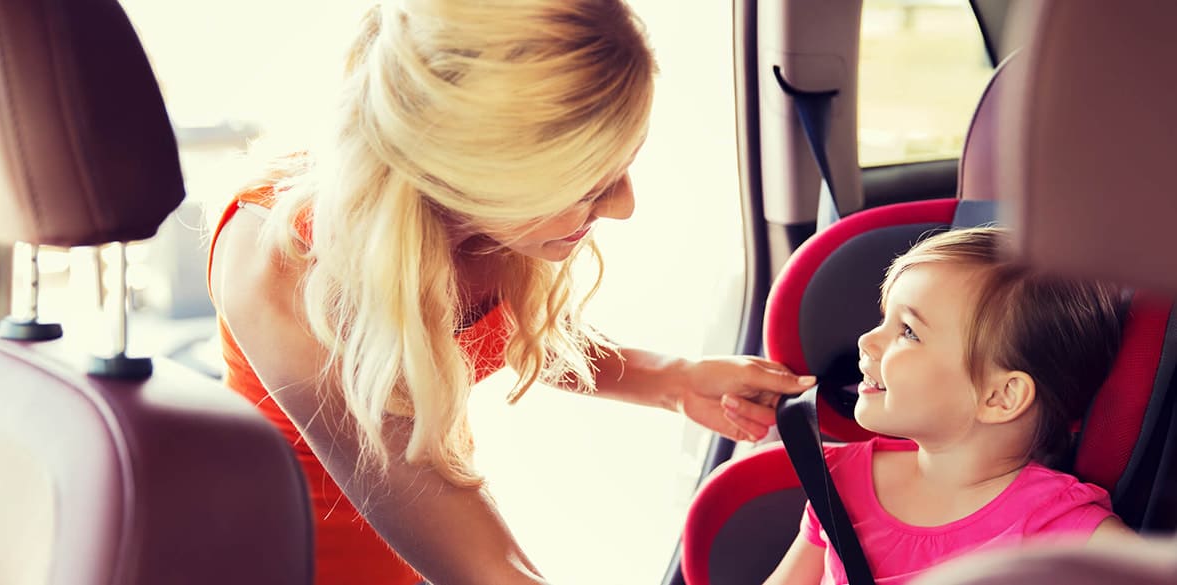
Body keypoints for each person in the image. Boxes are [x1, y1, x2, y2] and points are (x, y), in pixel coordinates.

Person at [206, 2, 808, 584]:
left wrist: (676, 380)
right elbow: (488, 569)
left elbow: (512, 331)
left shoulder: (470, 219)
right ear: (478, 176)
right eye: (590, 187)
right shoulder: (287, 266)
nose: (624, 207)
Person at [748, 227, 1139, 585]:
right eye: (885, 319)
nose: (866, 340)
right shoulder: (839, 479)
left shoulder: (1059, 532)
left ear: (1000, 397)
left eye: (908, 332)